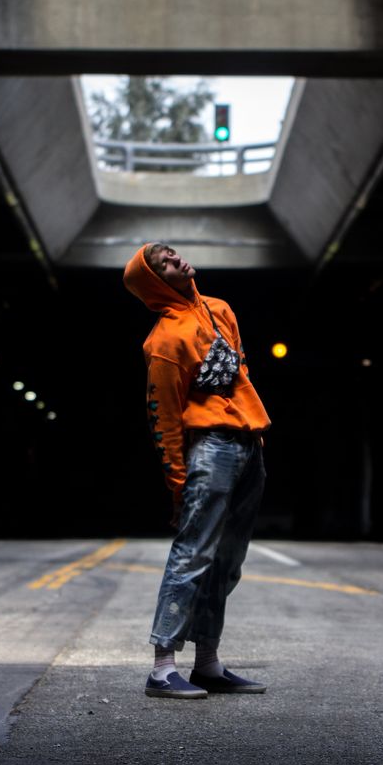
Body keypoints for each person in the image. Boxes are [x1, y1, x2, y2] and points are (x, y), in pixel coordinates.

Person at [123, 243, 271, 699]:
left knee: (229, 560)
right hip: (209, 447)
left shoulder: (220, 309)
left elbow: (239, 374)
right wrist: (178, 484)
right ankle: (162, 667)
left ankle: (207, 663)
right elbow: (163, 419)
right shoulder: (164, 341)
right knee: (193, 554)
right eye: (164, 263)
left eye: (172, 254)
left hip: (248, 443)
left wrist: (254, 435)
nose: (177, 261)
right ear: (155, 283)